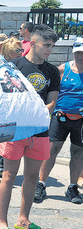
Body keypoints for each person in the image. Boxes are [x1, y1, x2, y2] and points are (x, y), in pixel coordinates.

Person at [0, 24, 60, 229]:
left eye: (52, 46)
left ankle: (23, 219)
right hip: (16, 131)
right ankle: (2, 223)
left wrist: (40, 112)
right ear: (32, 43)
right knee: (9, 176)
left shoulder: (52, 71)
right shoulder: (14, 66)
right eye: (46, 45)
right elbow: (4, 98)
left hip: (40, 132)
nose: (49, 50)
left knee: (32, 177)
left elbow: (51, 100)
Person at [34, 39, 83, 204]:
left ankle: (72, 187)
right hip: (60, 117)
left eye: (82, 52)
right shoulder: (63, 69)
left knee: (78, 153)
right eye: (77, 52)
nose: (80, 56)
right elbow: (49, 91)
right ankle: (41, 184)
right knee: (51, 151)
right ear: (73, 52)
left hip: (81, 121)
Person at [0, 38, 24, 187]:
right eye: (18, 50)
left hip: (15, 108)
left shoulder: (19, 66)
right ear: (9, 51)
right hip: (1, 109)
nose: (21, 53)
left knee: (11, 142)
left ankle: (2, 168)